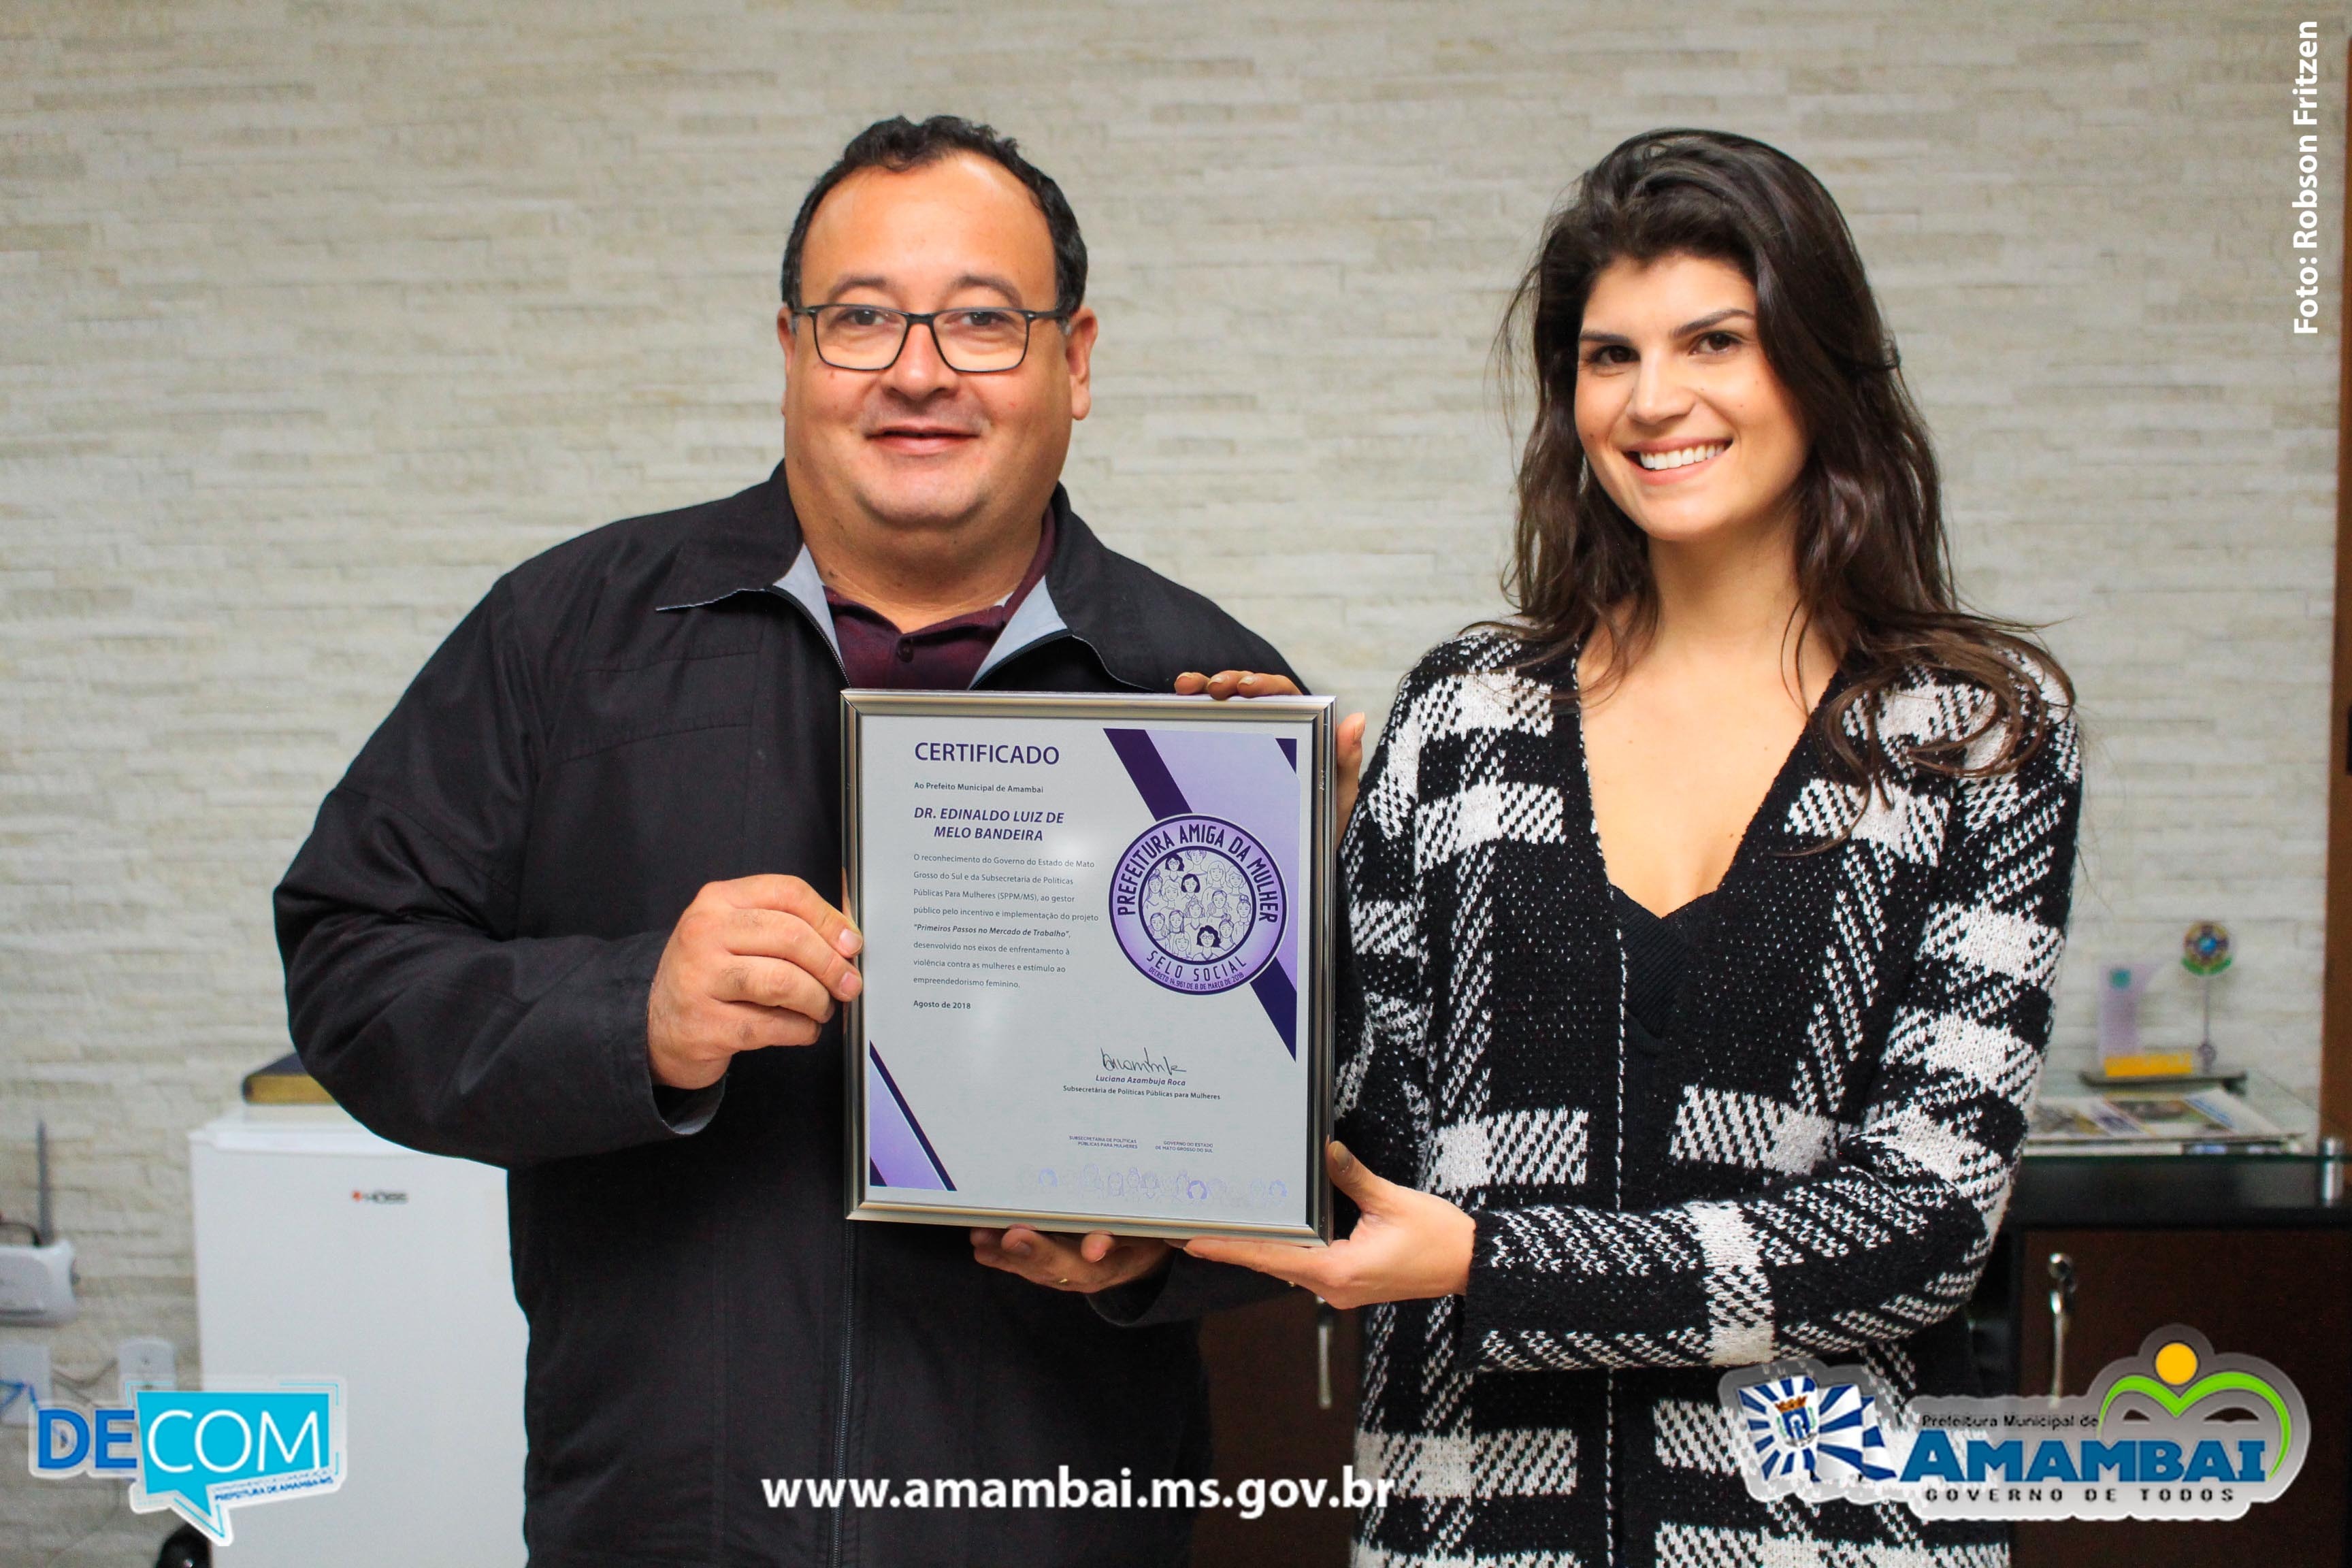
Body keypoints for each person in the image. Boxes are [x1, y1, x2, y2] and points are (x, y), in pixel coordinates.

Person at [276, 114, 1310, 1568]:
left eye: (983, 322)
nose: (918, 368)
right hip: (665, 1523)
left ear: (1075, 361)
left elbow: (1349, 1122)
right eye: (862, 319)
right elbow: (349, 961)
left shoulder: (1204, 696)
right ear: (789, 349)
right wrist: (625, 1011)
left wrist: (1158, 1253)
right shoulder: (571, 636)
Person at [1189, 128, 2084, 1565]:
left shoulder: (1971, 733)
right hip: (1475, 1527)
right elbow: (1365, 1141)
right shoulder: (1466, 713)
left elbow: (1925, 1227)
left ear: (1818, 358)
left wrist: (1499, 1266)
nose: (1655, 401)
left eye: (1714, 341)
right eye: (1609, 357)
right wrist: (1269, 880)